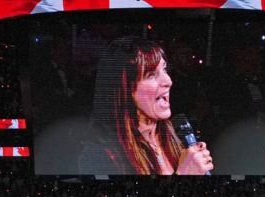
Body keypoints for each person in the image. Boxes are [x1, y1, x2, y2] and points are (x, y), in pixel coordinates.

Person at [79, 37, 214, 176]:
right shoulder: (99, 156)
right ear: (124, 89)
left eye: (165, 70)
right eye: (151, 75)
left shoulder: (177, 137)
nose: (168, 81)